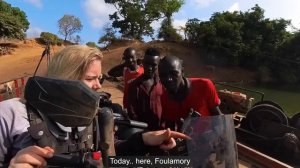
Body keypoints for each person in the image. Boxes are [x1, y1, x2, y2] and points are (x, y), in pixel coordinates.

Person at [0, 45, 189, 168]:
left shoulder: (93, 116)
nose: (98, 86)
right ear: (64, 77)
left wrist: (144, 139)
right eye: (90, 78)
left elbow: (106, 155)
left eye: (99, 78)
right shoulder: (10, 114)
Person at [158, 55, 223, 131]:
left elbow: (218, 117)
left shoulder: (204, 85)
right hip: (185, 140)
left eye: (174, 73)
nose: (168, 79)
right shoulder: (164, 98)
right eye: (163, 75)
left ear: (182, 72)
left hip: (209, 139)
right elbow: (170, 127)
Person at [127, 48, 163, 130]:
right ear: (143, 62)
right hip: (143, 133)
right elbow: (132, 113)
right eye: (147, 64)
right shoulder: (134, 85)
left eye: (154, 65)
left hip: (163, 131)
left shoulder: (164, 84)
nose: (149, 68)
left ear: (159, 65)